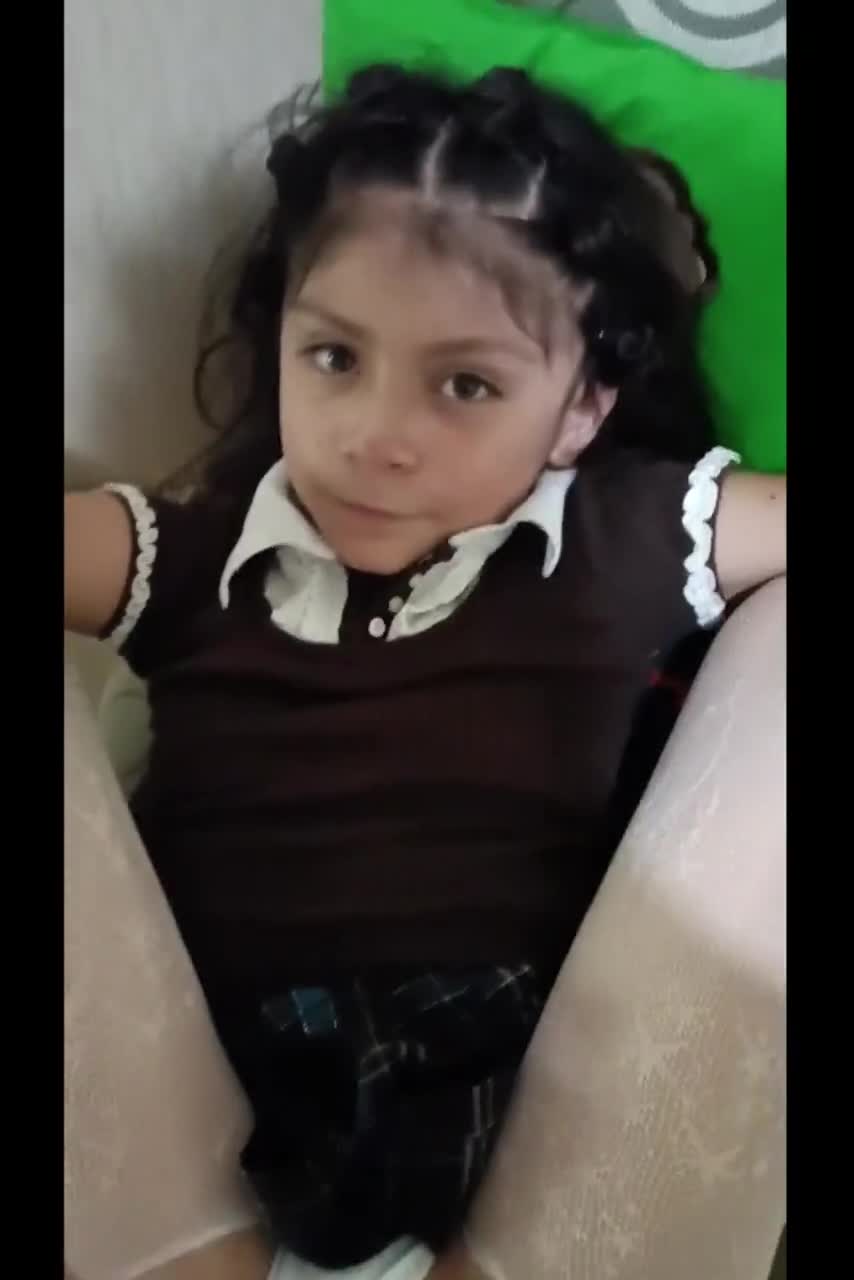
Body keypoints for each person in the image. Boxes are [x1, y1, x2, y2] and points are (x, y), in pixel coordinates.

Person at [64, 64, 786, 1280]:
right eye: (333, 356)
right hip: (209, 1124)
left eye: (464, 384)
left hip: (511, 1128)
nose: (374, 437)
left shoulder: (616, 534)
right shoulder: (197, 553)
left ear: (577, 411)